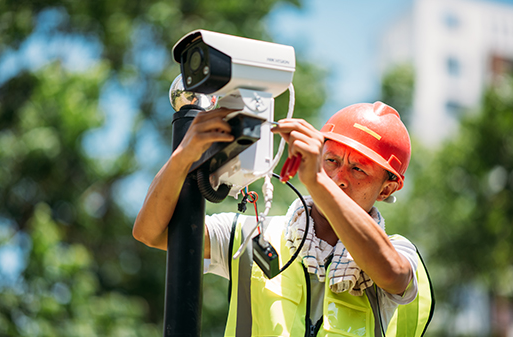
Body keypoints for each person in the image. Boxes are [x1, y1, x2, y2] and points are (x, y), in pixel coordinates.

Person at [133, 101, 427, 336]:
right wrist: (184, 154)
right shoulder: (251, 236)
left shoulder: (398, 252)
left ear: (387, 188)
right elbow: (151, 233)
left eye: (358, 169)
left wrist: (317, 180)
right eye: (332, 161)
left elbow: (392, 273)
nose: (339, 178)